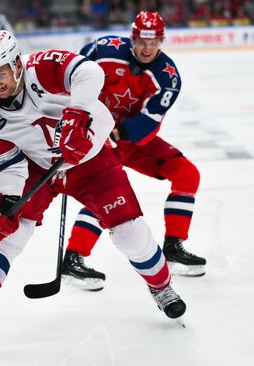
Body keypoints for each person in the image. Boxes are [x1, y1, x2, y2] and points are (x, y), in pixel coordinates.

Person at [0, 30, 186, 352]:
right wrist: (8, 199)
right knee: (9, 232)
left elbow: (90, 72)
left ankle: (161, 287)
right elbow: (6, 165)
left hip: (91, 158)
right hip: (39, 167)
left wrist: (77, 114)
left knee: (128, 231)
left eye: (1, 73)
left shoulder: (42, 68)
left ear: (17, 64)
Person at [60, 11, 206, 292]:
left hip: (130, 139)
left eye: (154, 42)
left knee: (187, 174)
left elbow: (148, 123)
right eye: (141, 41)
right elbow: (71, 77)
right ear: (132, 38)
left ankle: (173, 247)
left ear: (162, 41)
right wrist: (71, 119)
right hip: (93, 136)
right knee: (107, 194)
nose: (147, 48)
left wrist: (115, 133)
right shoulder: (103, 50)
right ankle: (74, 257)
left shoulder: (168, 77)